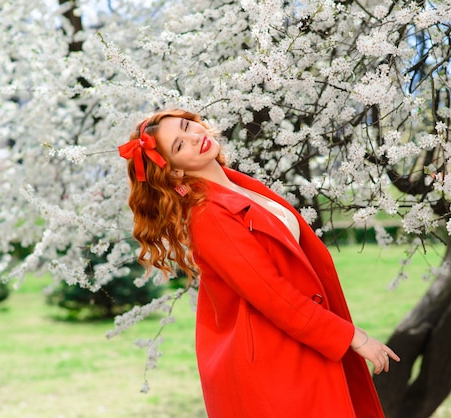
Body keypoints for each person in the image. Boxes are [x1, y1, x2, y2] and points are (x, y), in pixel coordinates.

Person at [119, 109, 400, 418]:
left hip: (302, 341)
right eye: (179, 145)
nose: (194, 137)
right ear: (174, 172)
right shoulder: (209, 216)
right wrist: (352, 337)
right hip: (277, 361)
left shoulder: (238, 186)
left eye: (188, 126)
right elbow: (273, 295)